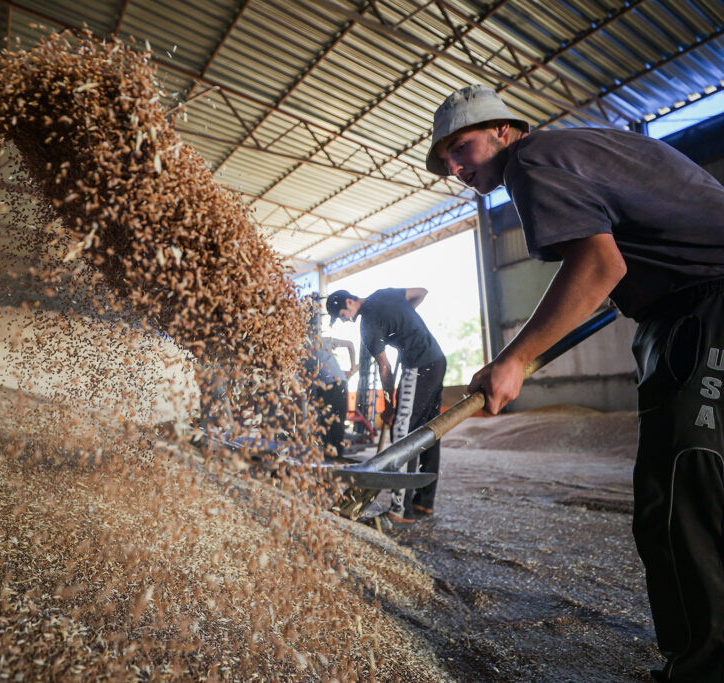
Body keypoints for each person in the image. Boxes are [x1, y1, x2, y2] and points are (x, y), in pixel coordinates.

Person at [427, 83, 724, 680]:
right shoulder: (572, 151)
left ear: (506, 130)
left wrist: (512, 360)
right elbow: (623, 257)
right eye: (444, 162)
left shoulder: (533, 161)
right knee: (665, 493)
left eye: (461, 148)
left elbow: (597, 263)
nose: (455, 167)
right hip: (676, 307)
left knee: (685, 482)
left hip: (709, 302)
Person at [326, 287, 446, 525]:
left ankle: (400, 510)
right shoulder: (385, 294)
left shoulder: (368, 326)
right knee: (428, 431)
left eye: (341, 314)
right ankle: (424, 502)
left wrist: (390, 403)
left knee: (402, 434)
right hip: (437, 359)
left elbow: (385, 368)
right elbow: (420, 292)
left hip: (417, 366)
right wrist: (405, 323)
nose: (344, 320)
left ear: (349, 302)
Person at [303, 317, 357, 459]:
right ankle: (335, 457)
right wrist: (353, 366)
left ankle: (332, 459)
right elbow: (350, 344)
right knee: (335, 422)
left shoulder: (302, 348)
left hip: (330, 387)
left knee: (326, 423)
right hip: (339, 384)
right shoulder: (324, 340)